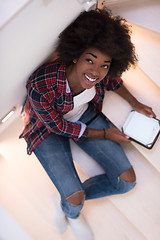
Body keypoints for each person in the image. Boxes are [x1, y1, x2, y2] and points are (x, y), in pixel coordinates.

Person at [20, 8, 156, 240]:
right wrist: (105, 135)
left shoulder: (102, 75)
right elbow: (58, 128)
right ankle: (70, 210)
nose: (96, 71)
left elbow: (114, 81)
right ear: (75, 55)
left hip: (83, 116)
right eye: (90, 60)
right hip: (45, 129)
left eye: (105, 65)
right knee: (75, 200)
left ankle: (67, 196)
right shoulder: (41, 83)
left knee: (126, 183)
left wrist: (137, 103)